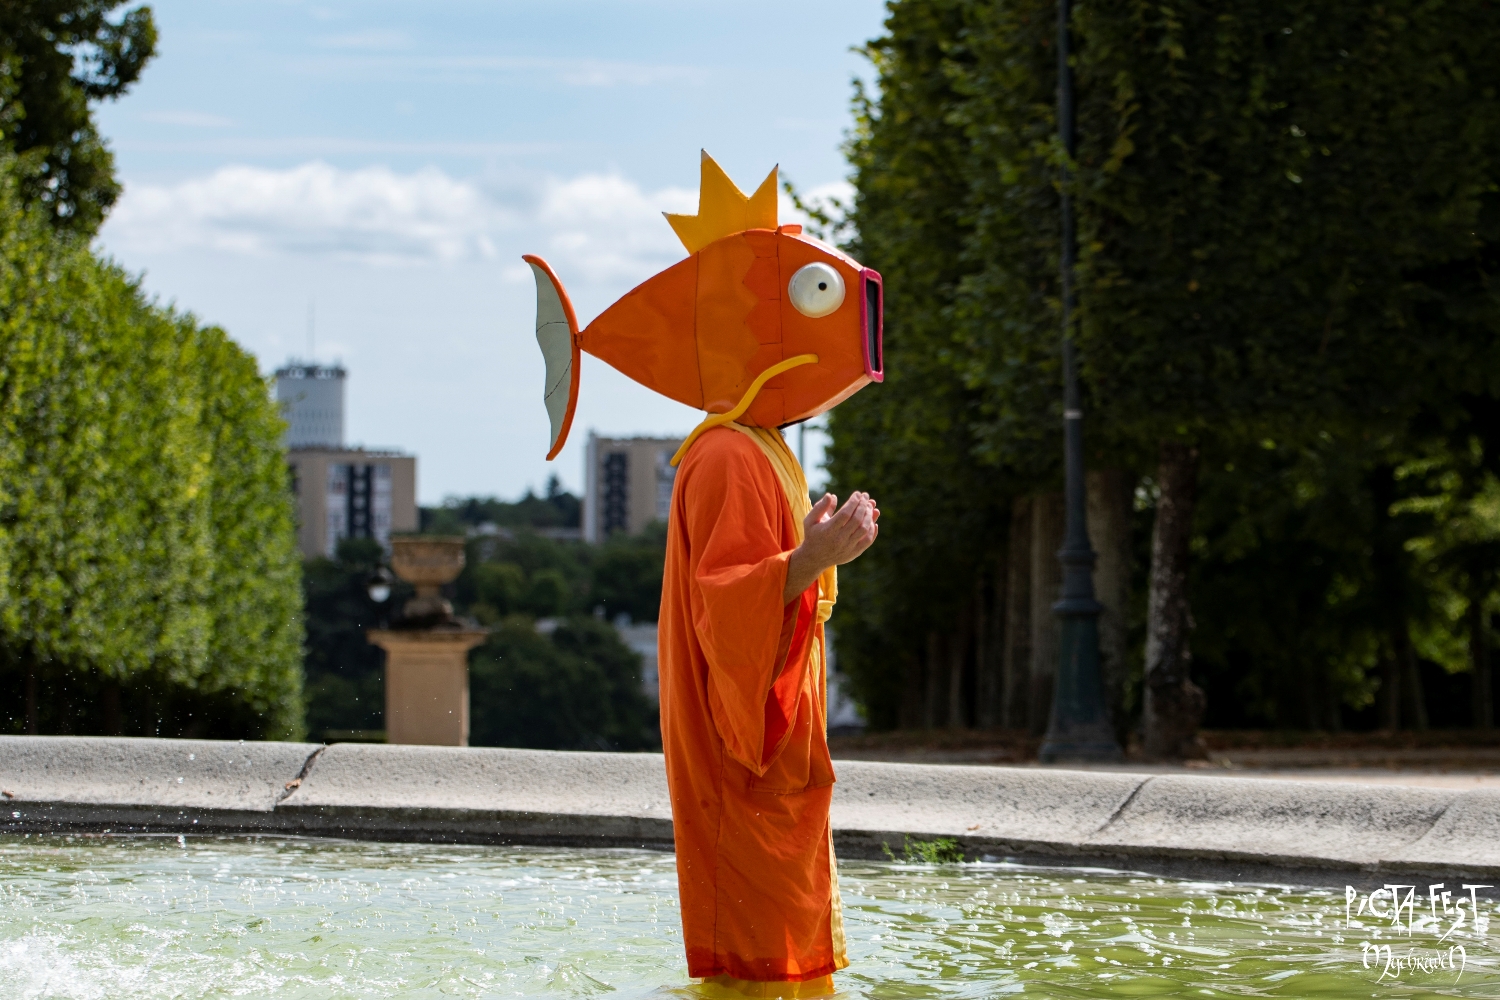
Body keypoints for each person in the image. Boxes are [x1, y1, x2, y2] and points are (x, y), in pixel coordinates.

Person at [524, 151, 885, 995]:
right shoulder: (725, 455)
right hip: (744, 750)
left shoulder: (758, 449)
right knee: (754, 951)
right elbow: (726, 600)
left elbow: (756, 585)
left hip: (776, 742)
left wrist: (812, 553)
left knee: (781, 939)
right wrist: (814, 558)